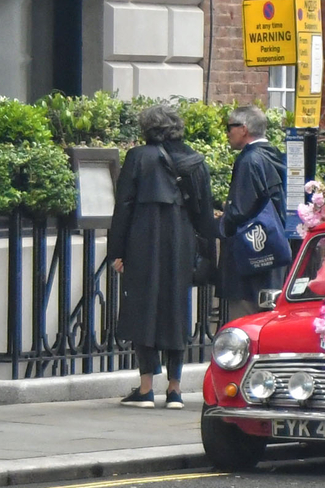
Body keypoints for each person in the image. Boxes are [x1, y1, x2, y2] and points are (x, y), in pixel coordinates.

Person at [107, 104, 212, 408]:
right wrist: (206, 252)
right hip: (181, 240)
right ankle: (176, 389)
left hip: (143, 238)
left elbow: (123, 206)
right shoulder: (195, 160)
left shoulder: (139, 157)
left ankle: (145, 388)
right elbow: (204, 211)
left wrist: (117, 251)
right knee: (176, 308)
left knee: (143, 306)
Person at [220, 106, 292, 316]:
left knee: (245, 328)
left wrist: (223, 221)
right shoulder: (275, 155)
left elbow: (241, 210)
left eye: (230, 127)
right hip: (274, 254)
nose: (227, 133)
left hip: (249, 262)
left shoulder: (249, 160)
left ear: (243, 129)